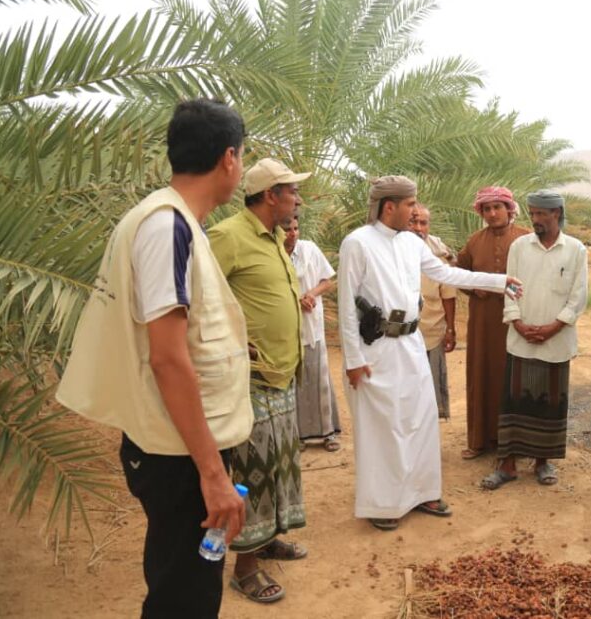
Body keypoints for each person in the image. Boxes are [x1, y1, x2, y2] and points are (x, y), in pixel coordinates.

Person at [56, 98, 253, 618]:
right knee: (185, 595)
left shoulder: (173, 221)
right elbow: (167, 357)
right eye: (243, 159)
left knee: (182, 582)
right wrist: (212, 474)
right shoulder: (168, 227)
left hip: (179, 443)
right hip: (179, 453)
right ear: (229, 158)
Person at [337, 176, 523, 531]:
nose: (415, 211)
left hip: (411, 343)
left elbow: (445, 272)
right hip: (375, 348)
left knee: (420, 418)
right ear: (389, 206)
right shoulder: (357, 243)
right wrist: (352, 359)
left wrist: (499, 282)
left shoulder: (411, 242)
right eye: (410, 205)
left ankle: (423, 493)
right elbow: (347, 305)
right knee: (384, 427)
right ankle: (384, 503)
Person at [208, 157, 310, 603]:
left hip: (281, 373)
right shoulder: (228, 237)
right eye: (292, 191)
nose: (298, 199)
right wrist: (232, 341)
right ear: (271, 196)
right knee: (255, 471)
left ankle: (269, 540)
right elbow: (198, 299)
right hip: (250, 380)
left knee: (280, 465)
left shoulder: (274, 238)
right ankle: (245, 569)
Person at [481, 190, 588, 490]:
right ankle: (508, 464)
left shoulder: (576, 249)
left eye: (541, 214)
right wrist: (518, 323)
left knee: (550, 403)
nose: (536, 220)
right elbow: (509, 289)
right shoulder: (520, 246)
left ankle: (543, 462)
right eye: (532, 213)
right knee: (514, 402)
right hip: (520, 338)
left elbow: (578, 298)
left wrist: (554, 327)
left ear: (556, 213)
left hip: (557, 340)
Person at [456, 186, 530, 459]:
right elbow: (458, 273)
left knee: (514, 376)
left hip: (516, 320)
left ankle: (517, 442)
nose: (492, 213)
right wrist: (474, 289)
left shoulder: (526, 239)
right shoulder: (474, 241)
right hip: (483, 322)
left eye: (497, 207)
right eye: (486, 209)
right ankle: (480, 439)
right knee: (482, 373)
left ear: (509, 209)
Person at [282, 213, 341, 450]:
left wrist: (311, 294)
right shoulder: (272, 252)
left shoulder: (309, 249)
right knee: (295, 382)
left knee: (319, 379)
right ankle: (300, 436)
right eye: (288, 229)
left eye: (296, 228)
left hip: (312, 325)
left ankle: (328, 434)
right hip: (286, 328)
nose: (293, 233)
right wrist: (295, 300)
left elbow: (327, 280)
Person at [408, 204, 457, 419]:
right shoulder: (393, 250)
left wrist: (451, 329)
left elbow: (448, 295)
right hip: (404, 333)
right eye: (413, 222)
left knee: (433, 385)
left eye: (423, 223)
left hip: (433, 330)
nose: (418, 228)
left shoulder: (438, 253)